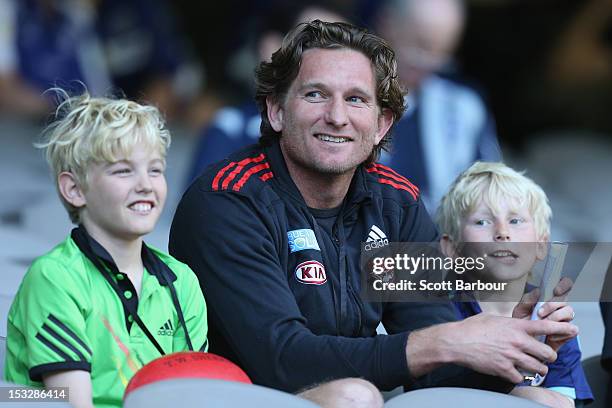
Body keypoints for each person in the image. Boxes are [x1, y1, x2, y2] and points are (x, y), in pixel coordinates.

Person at [169, 20, 576, 408]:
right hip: (236, 395)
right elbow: (283, 360)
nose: (337, 116)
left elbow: (435, 375)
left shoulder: (395, 205)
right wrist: (443, 341)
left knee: (536, 399)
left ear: (382, 124)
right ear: (276, 111)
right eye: (315, 94)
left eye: (356, 99)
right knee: (355, 397)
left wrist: (514, 351)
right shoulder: (229, 201)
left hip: (348, 394)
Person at [4, 90, 208, 408]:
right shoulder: (55, 278)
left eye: (155, 170)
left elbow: (191, 396)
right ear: (74, 189)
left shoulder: (182, 281)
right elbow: (75, 404)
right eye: (123, 171)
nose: (145, 184)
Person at [437, 161, 593, 407]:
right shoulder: (436, 309)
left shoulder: (550, 314)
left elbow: (567, 400)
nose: (502, 233)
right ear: (453, 248)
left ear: (541, 245)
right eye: (482, 222)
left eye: (516, 221)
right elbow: (434, 390)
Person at [375, 0, 501, 212]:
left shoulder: (463, 106)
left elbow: (490, 191)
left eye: (441, 53)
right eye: (418, 45)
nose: (427, 62)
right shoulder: (347, 96)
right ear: (387, 24)